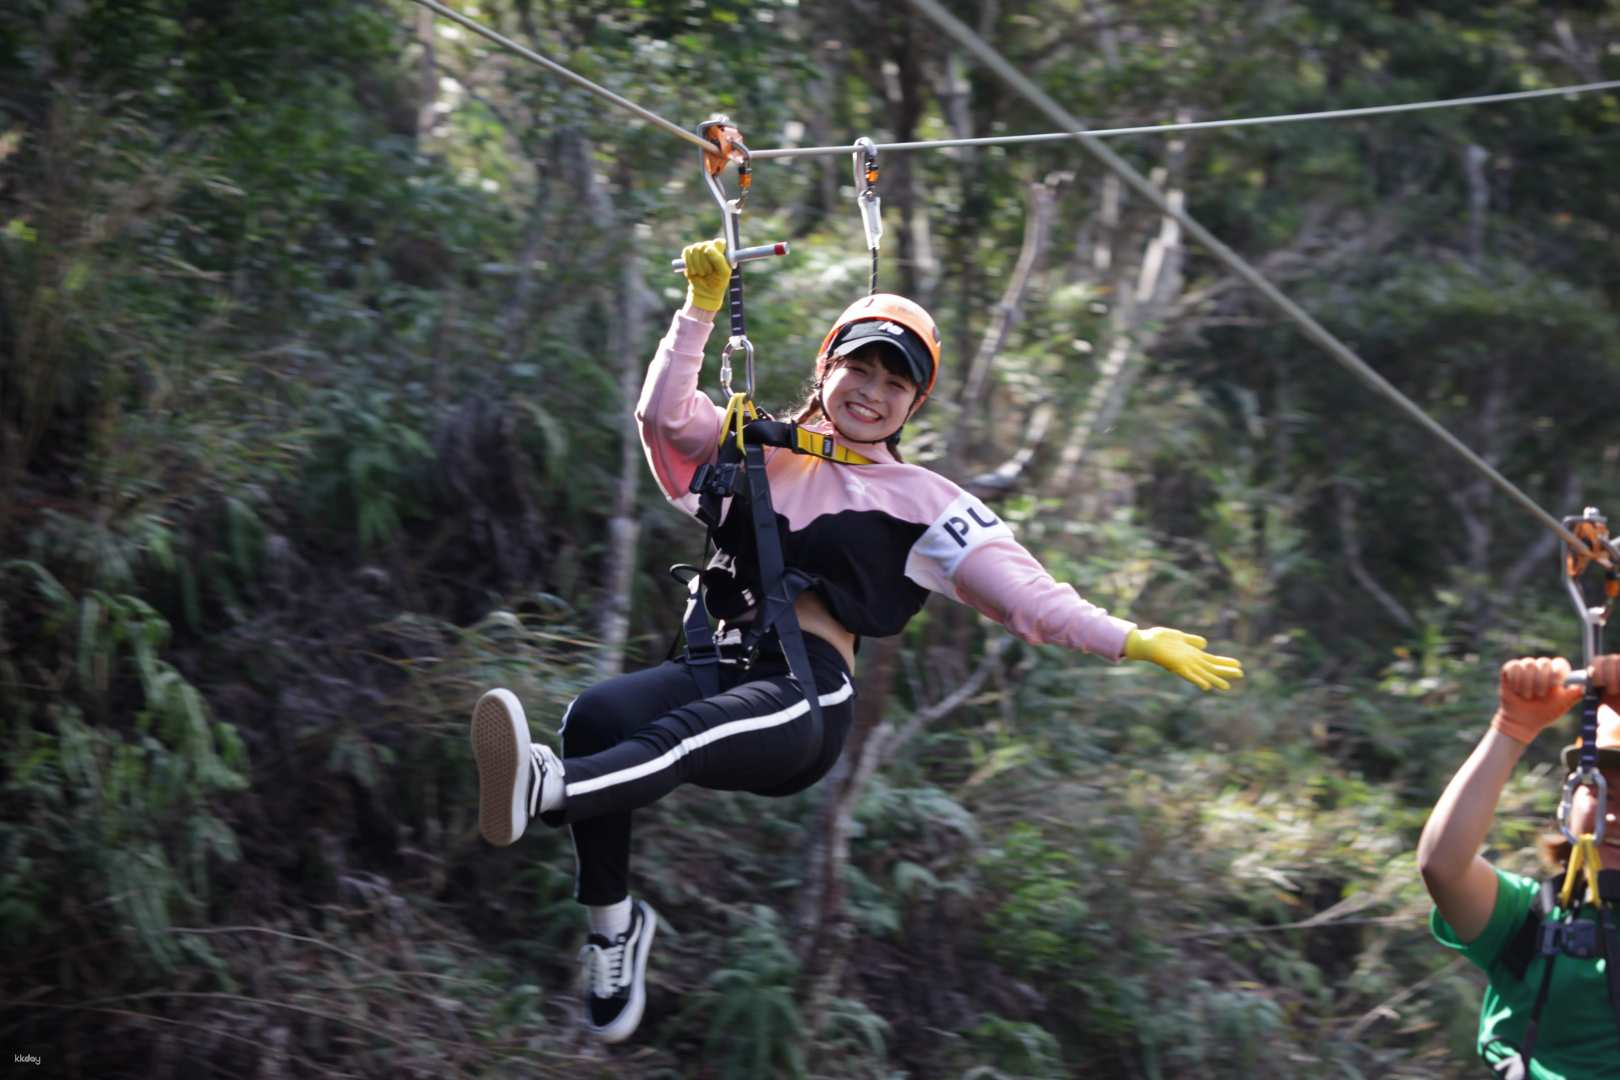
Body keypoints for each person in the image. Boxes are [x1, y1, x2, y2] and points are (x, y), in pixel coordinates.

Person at [470, 238, 1245, 1043]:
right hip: (713, 663)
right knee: (597, 717)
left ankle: (547, 789)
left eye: (894, 383)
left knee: (678, 738)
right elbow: (662, 419)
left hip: (803, 695)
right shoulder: (755, 447)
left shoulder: (923, 501)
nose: (871, 393)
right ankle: (611, 929)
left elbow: (1032, 601)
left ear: (915, 405)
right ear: (826, 367)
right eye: (860, 369)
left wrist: (1133, 638)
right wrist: (699, 312)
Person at [1418, 653, 1620, 1078]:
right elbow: (1443, 867)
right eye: (1601, 789)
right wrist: (1512, 728)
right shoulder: (1531, 917)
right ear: (1568, 801)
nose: (1614, 813)